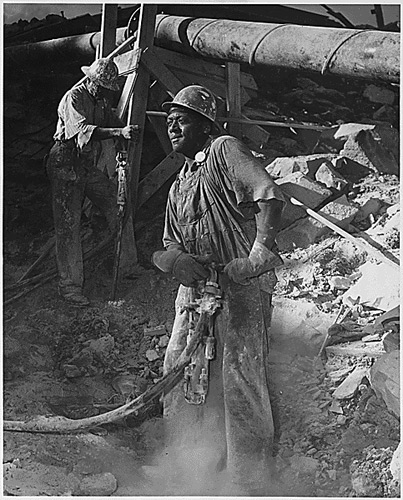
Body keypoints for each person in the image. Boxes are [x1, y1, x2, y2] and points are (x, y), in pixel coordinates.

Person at [152, 85, 286, 495]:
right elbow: (167, 244)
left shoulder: (224, 149)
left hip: (240, 283)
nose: (173, 125)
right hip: (196, 290)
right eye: (170, 120)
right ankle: (182, 461)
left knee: (239, 374)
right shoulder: (180, 183)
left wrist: (258, 254)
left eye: (183, 118)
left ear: (206, 123)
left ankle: (249, 481)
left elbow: (268, 195)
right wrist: (176, 261)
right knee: (178, 368)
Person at [46, 58, 137, 306]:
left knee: (117, 205)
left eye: (108, 89)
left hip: (84, 165)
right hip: (64, 162)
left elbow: (110, 121)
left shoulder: (101, 100)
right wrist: (118, 133)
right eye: (102, 87)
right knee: (68, 225)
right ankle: (70, 287)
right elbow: (84, 131)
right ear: (91, 81)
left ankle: (127, 266)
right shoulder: (74, 97)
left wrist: (124, 129)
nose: (104, 92)